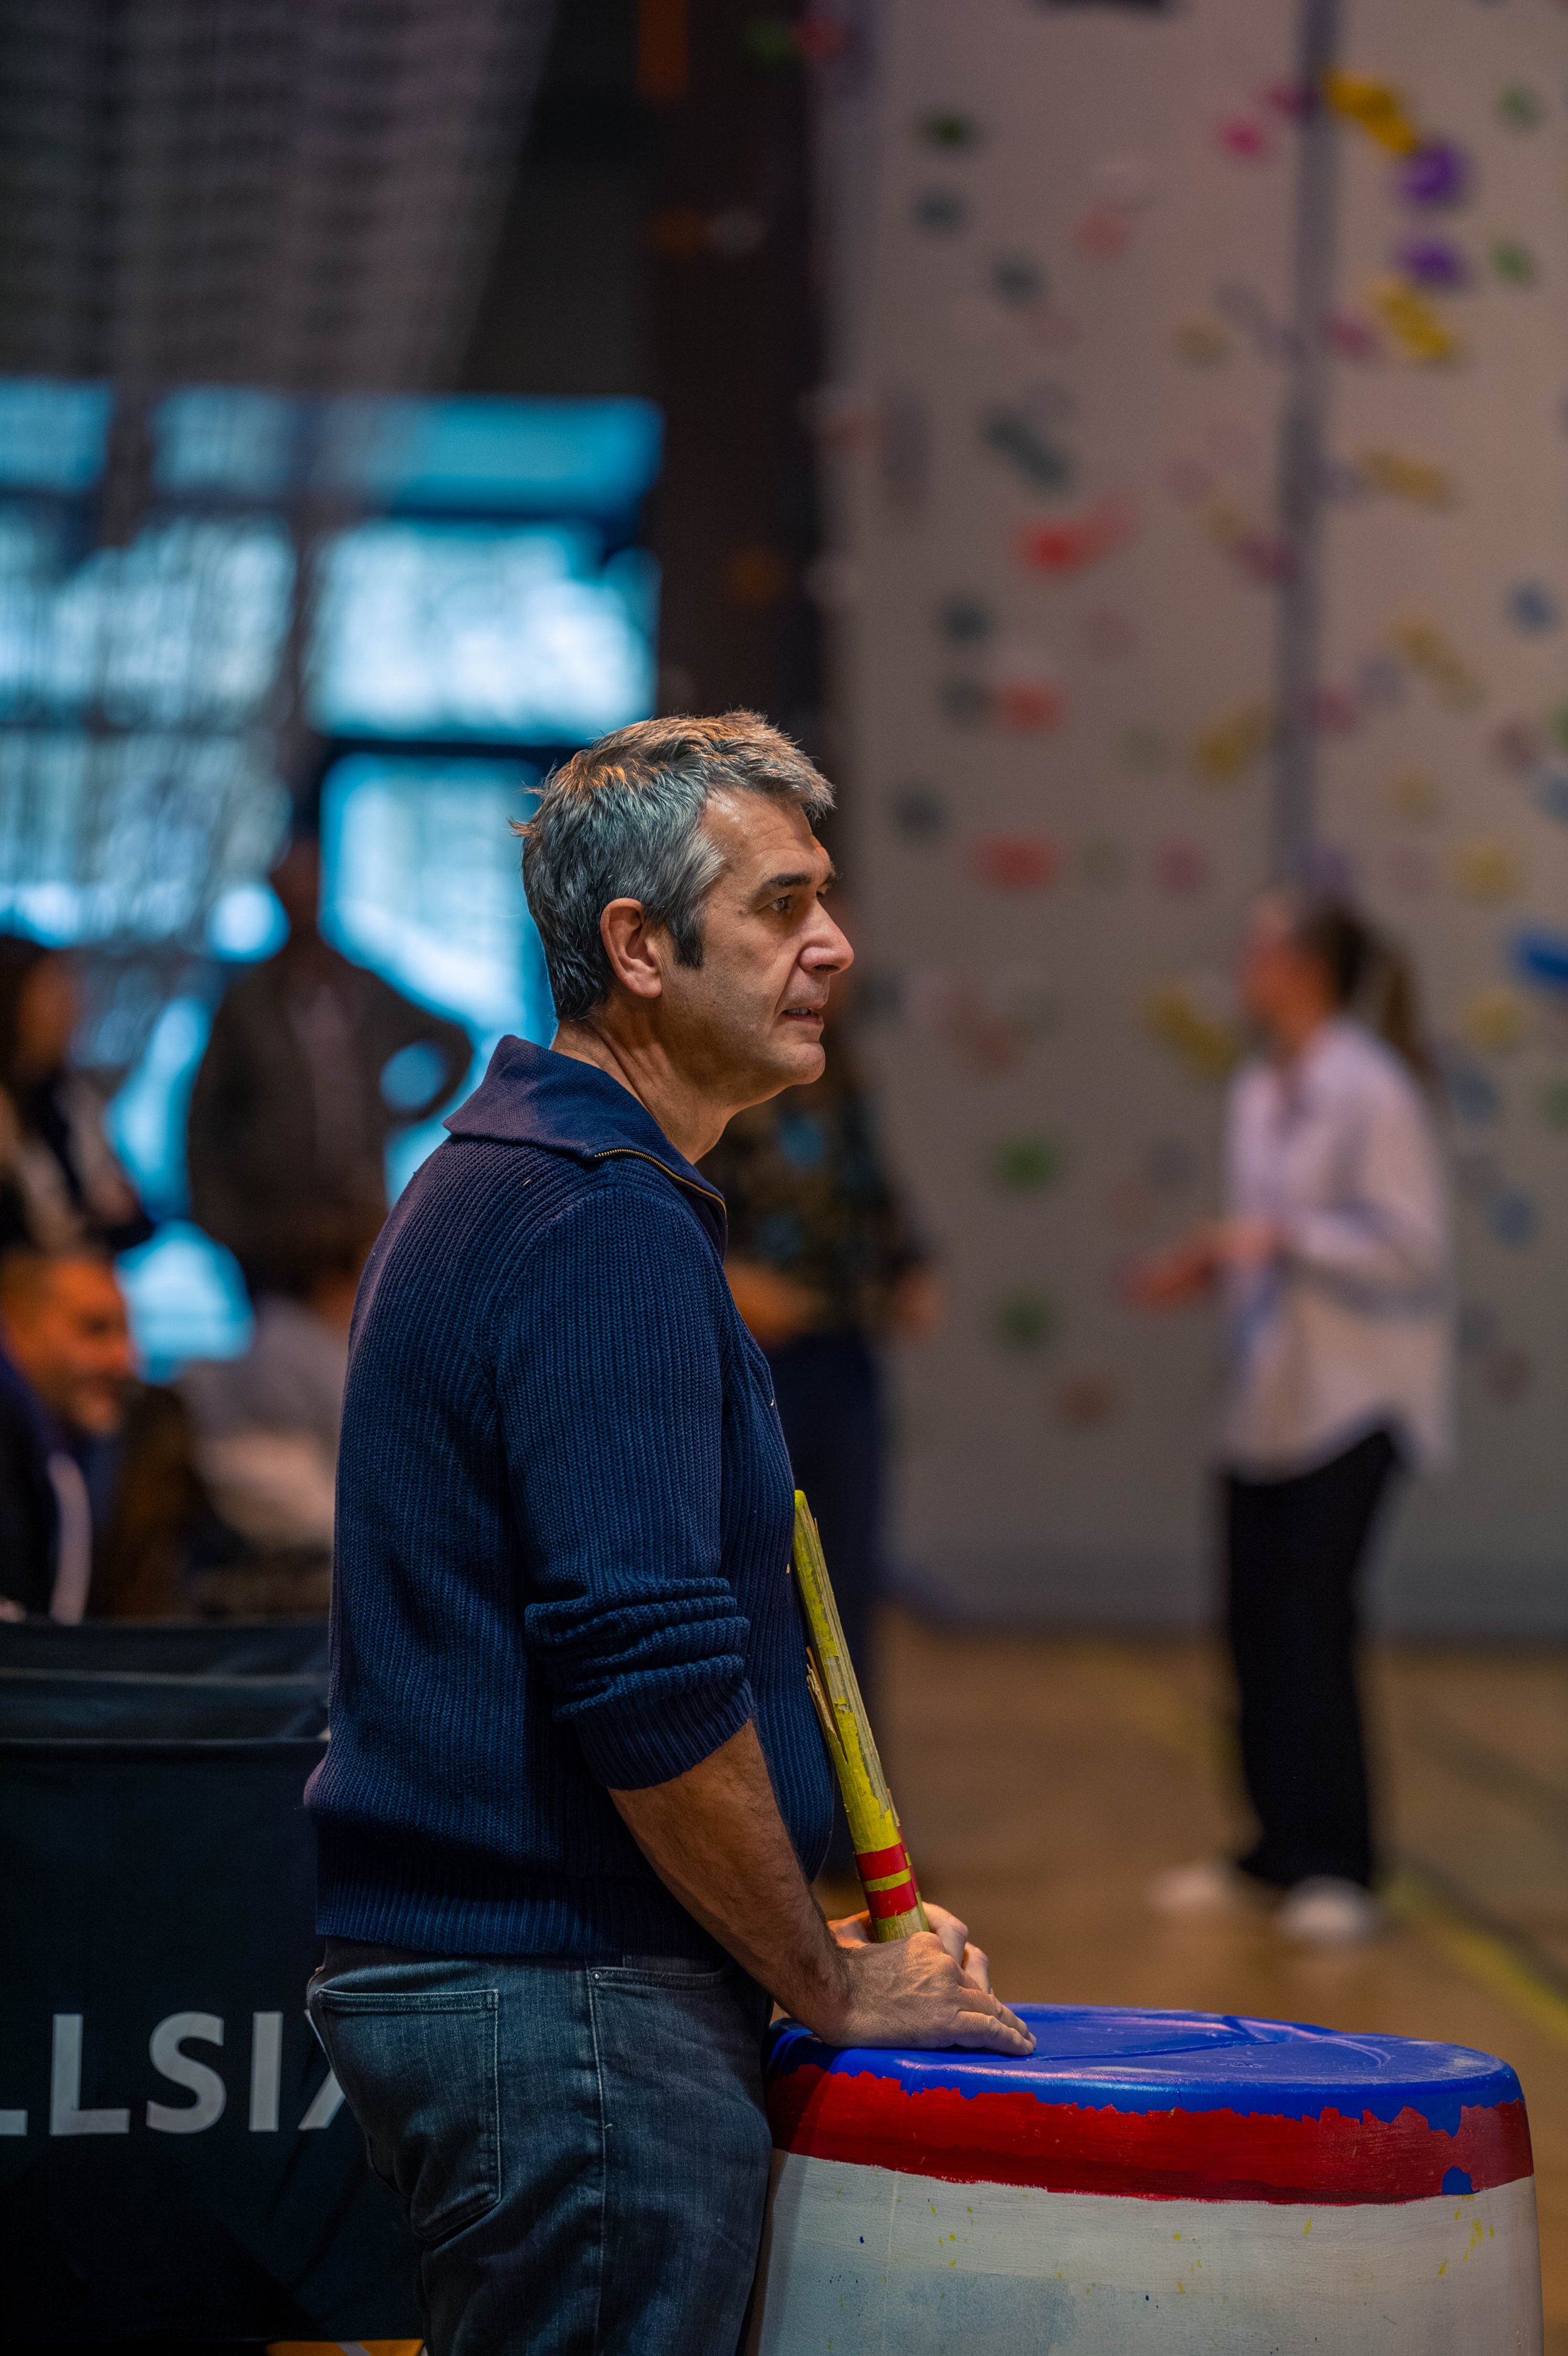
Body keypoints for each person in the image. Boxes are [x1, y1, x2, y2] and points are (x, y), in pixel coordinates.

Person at [304, 712, 1032, 2356]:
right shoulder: (593, 1216)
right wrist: (824, 1981)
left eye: (823, 896)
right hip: (567, 2009)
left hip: (529, 1994)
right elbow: (641, 1669)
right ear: (637, 946)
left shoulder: (524, 1173)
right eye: (777, 907)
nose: (829, 943)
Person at [1130, 891, 1451, 1948]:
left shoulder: (1373, 1087)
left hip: (1356, 1403)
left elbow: (1412, 1248)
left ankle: (1341, 1861)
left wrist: (1279, 1239)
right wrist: (1228, 1254)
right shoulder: (1261, 1087)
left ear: (1305, 966)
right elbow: (1267, 1238)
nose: (1243, 959)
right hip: (1268, 1399)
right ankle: (1272, 1846)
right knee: (1253, 1625)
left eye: (1262, 943)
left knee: (1315, 1627)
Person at [699, 999, 940, 1884]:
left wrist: (909, 1264)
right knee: (765, 1591)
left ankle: (855, 1831)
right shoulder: (718, 1072)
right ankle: (771, 1833)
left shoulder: (837, 1069)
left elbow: (874, 1188)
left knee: (846, 1593)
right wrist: (727, 1278)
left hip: (846, 1353)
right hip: (765, 1366)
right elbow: (674, 1203)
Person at [186, 836, 471, 1295]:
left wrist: (397, 1114)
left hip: (356, 1205)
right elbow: (204, 1115)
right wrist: (219, 1219)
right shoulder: (248, 1001)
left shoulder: (358, 983)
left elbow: (455, 1041)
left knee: (359, 1327)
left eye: (310, 880)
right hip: (275, 1217)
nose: (301, 894)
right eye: (290, 883)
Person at [179, 1217, 373, 1617]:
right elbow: (365, 1449)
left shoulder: (288, 1335)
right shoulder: (300, 1348)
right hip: (301, 1533)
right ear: (332, 1281)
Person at [0, 1247, 135, 1620]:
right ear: (12, 1325)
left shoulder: (61, 1451)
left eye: (127, 1333)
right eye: (95, 1329)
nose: (126, 1359)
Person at [0, 935, 152, 1260]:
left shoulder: (74, 1100)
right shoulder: (10, 1110)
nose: (74, 1007)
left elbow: (135, 1217)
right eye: (52, 992)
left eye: (71, 990)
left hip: (83, 1295)